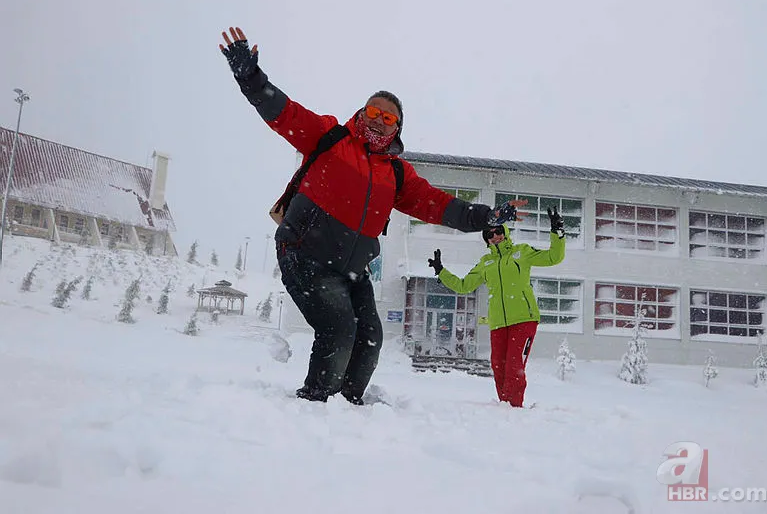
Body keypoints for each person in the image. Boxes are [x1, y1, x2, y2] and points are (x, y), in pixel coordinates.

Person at [219, 27, 524, 405]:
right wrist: (251, 77)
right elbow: (284, 113)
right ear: (362, 112)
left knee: (370, 338)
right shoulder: (330, 136)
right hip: (305, 254)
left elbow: (439, 205)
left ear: (397, 128)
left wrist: (486, 216)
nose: (379, 120)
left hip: (353, 270)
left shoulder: (396, 174)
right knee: (339, 329)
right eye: (374, 112)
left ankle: (349, 408)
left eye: (388, 118)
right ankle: (314, 406)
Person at [427, 206, 566, 407]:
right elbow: (464, 285)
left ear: (505, 232)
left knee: (513, 366)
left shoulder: (522, 252)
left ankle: (514, 408)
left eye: (498, 231)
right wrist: (441, 271)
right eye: (489, 234)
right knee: (499, 367)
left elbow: (554, 257)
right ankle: (504, 407)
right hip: (499, 322)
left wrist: (557, 232)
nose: (495, 236)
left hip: (524, 319)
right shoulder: (486, 262)